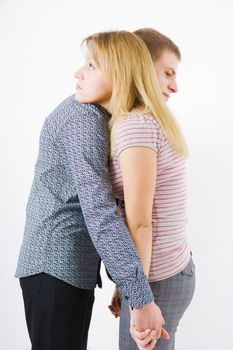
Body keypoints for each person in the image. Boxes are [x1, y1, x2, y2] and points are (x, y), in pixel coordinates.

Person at [15, 30, 171, 350]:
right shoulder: (84, 118)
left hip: (61, 268)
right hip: (56, 266)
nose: (78, 72)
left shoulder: (100, 116)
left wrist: (125, 281)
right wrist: (139, 296)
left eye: (91, 66)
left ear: (119, 73)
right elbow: (99, 210)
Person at [76, 30, 195, 350]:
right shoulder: (144, 121)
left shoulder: (137, 126)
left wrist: (136, 291)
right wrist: (125, 284)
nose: (175, 86)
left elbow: (141, 221)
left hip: (158, 279)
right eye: (168, 73)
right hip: (162, 274)